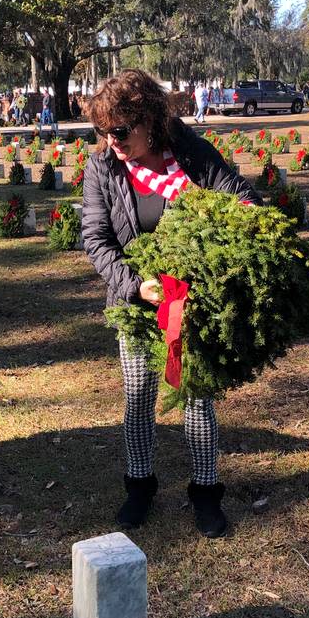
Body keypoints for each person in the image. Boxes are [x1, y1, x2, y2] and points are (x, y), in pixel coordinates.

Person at [81, 69, 262, 539]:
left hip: (188, 298)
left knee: (193, 394)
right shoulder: (103, 165)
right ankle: (139, 487)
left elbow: (242, 198)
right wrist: (135, 285)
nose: (112, 141)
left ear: (148, 121)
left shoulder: (189, 151)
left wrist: (234, 223)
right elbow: (97, 238)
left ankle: (206, 492)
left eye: (120, 131)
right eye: (103, 132)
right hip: (137, 300)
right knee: (139, 395)